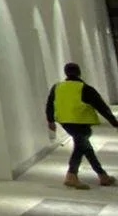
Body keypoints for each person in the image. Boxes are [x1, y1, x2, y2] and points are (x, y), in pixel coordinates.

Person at [46, 62, 118, 190]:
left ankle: (102, 176)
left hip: (65, 122)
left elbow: (50, 104)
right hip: (81, 123)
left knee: (85, 147)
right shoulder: (84, 88)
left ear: (66, 73)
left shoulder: (57, 87)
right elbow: (102, 107)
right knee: (80, 148)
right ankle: (71, 175)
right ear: (79, 72)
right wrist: (114, 122)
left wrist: (50, 121)